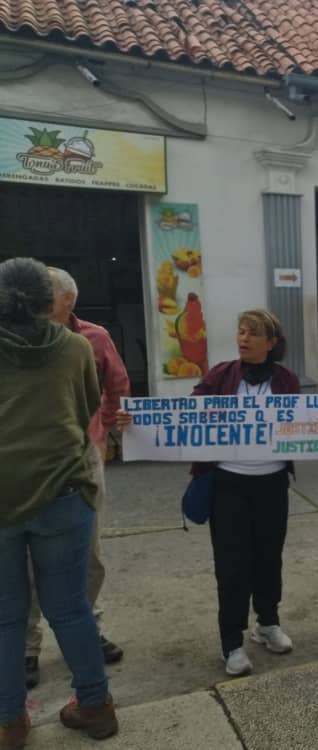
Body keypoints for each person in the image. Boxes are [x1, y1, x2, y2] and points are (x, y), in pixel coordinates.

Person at [119, 309, 299, 677]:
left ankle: (267, 624)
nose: (243, 338)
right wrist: (135, 421)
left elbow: (307, 421)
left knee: (269, 558)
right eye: (240, 331)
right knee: (232, 566)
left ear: (272, 343)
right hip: (228, 486)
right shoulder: (221, 374)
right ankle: (231, 642)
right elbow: (185, 413)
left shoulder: (287, 380)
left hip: (272, 485)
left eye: (253, 333)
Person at [0, 258, 118, 747]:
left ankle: (10, 723)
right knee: (70, 608)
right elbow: (87, 404)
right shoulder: (73, 347)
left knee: (6, 615)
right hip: (64, 493)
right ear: (50, 302)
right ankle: (95, 706)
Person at [24, 267, 130, 691]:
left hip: (83, 457)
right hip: (28, 460)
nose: (34, 302)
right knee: (27, 557)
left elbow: (117, 386)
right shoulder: (17, 339)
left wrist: (103, 433)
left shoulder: (94, 338)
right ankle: (27, 647)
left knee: (88, 553)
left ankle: (89, 631)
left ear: (67, 299)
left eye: (44, 294)